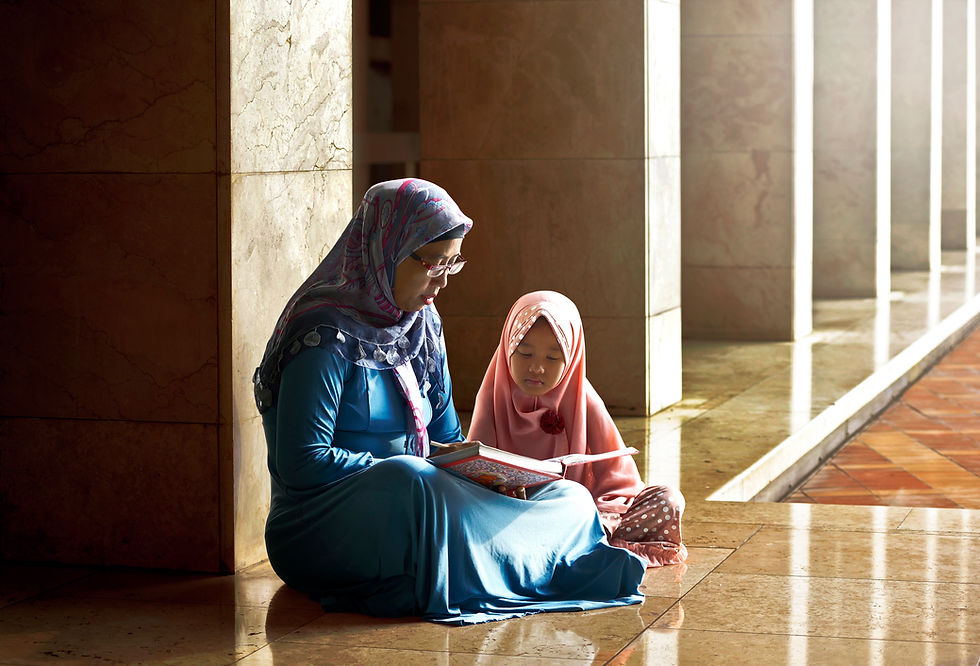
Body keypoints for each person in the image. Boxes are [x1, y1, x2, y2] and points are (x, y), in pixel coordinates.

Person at [252, 179, 645, 625]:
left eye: (451, 264)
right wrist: (411, 466)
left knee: (568, 497)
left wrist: (489, 476)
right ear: (387, 248)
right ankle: (527, 564)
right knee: (410, 474)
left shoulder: (423, 325)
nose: (441, 280)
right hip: (321, 524)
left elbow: (445, 440)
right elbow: (303, 462)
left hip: (422, 500)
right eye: (432, 263)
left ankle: (500, 563)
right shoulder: (323, 334)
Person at [468, 290, 688, 568]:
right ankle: (574, 551)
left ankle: (571, 545)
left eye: (552, 357)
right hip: (510, 512)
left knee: (667, 498)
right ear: (507, 348)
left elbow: (620, 482)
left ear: (571, 359)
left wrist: (596, 509)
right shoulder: (493, 394)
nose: (536, 367)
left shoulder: (583, 400)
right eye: (524, 353)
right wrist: (502, 492)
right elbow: (475, 474)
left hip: (573, 514)